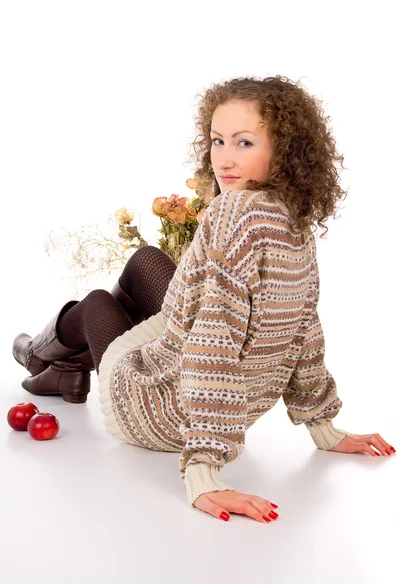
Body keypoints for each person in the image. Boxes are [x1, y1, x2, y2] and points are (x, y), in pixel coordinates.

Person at [12, 75, 396, 523]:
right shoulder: (295, 225)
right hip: (226, 402)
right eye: (217, 141)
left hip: (161, 411)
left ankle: (46, 362)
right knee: (147, 261)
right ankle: (59, 366)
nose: (224, 159)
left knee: (98, 303)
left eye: (245, 143)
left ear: (285, 151)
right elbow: (304, 330)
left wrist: (204, 471)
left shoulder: (235, 212)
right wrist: (324, 428)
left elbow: (215, 338)